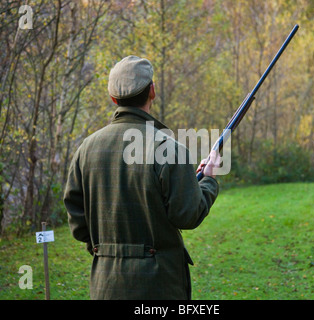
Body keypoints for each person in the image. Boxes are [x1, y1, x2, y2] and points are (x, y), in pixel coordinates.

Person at [63, 55, 220, 300]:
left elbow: (78, 220)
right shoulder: (169, 148)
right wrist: (209, 180)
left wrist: (107, 251)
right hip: (159, 288)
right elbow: (187, 215)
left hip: (105, 287)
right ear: (152, 91)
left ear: (113, 98)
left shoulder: (86, 148)